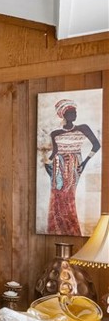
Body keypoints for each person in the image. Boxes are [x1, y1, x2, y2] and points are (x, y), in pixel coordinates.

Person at [45, 98, 101, 235]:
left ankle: (71, 229)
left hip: (75, 164)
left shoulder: (83, 128)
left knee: (68, 195)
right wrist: (47, 166)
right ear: (63, 114)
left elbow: (96, 145)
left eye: (75, 111)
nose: (75, 114)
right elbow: (55, 152)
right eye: (71, 112)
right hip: (58, 166)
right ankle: (57, 229)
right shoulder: (55, 133)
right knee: (57, 195)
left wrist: (84, 163)